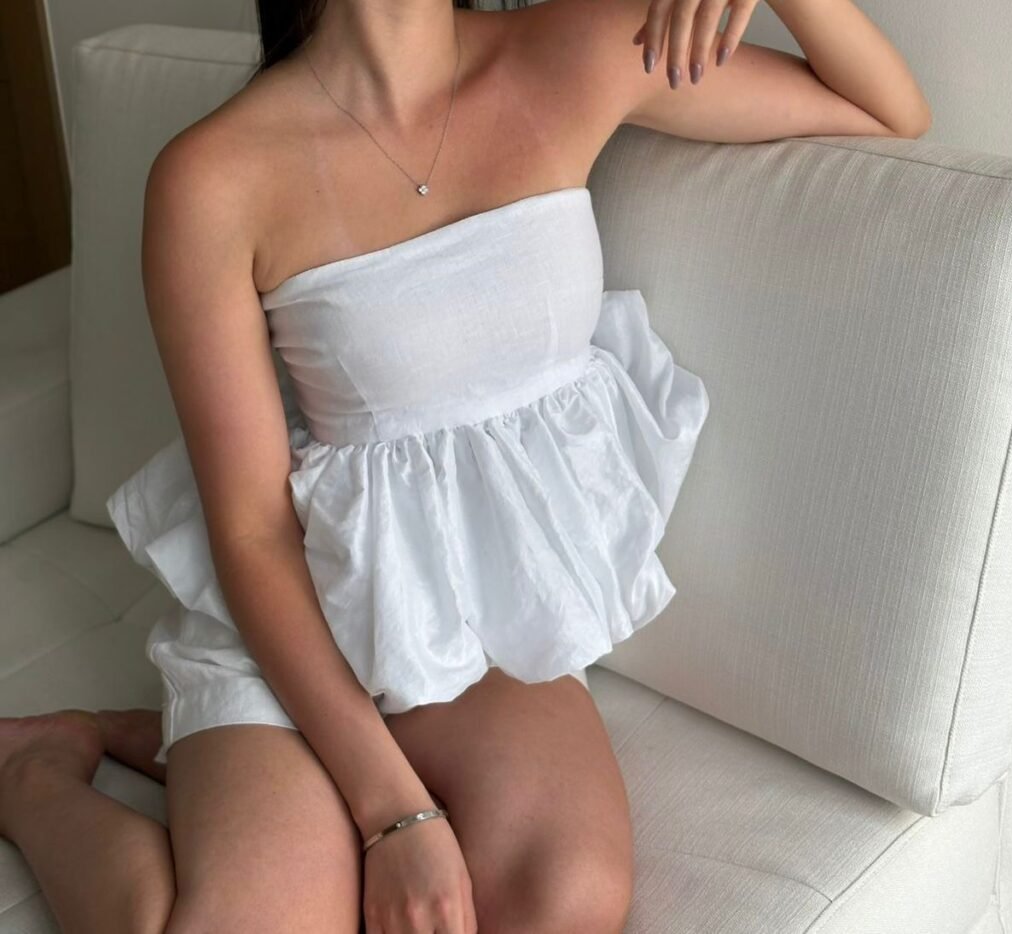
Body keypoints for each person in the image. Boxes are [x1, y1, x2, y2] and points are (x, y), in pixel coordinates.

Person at [0, 0, 929, 931]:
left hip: (471, 628)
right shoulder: (211, 177)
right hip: (289, 630)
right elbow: (249, 531)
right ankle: (36, 775)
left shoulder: (580, 47)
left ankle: (194, 760)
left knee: (566, 901)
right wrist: (392, 817)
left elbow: (889, 112)